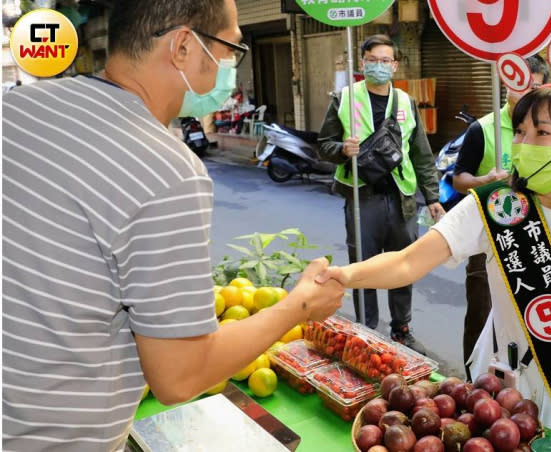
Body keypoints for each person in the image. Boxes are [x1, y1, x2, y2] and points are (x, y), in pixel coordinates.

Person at [1, 1, 343, 450]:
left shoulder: (18, 108)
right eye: (229, 49)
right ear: (183, 45)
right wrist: (299, 306)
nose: (229, 69)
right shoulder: (164, 169)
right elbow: (179, 377)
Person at [317, 83, 551, 448]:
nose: (523, 145)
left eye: (541, 133)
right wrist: (342, 275)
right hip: (502, 393)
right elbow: (406, 262)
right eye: (521, 131)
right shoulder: (498, 208)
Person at [318, 34, 444, 349]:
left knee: (403, 265)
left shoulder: (405, 101)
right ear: (363, 63)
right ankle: (367, 330)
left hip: (401, 197)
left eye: (385, 60)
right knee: (362, 267)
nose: (379, 66)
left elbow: (421, 154)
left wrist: (432, 199)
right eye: (373, 60)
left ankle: (401, 327)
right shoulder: (344, 99)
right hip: (363, 197)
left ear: (395, 65)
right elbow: (323, 145)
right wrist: (342, 149)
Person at [452, 54, 551, 375]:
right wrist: (485, 181)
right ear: (506, 85)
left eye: (534, 87)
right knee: (481, 318)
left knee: (526, 325)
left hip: (534, 241)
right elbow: (459, 178)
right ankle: (473, 383)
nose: (525, 93)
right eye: (518, 85)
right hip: (488, 243)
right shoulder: (483, 130)